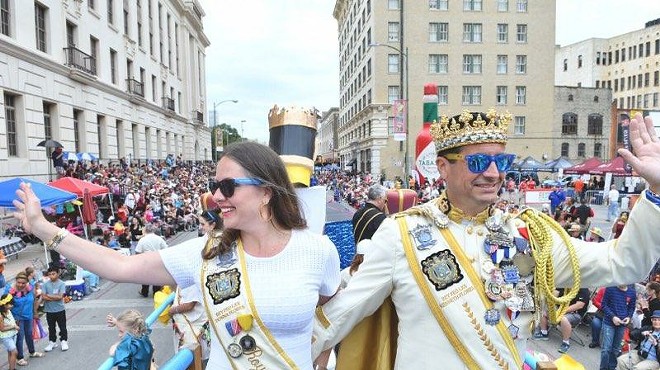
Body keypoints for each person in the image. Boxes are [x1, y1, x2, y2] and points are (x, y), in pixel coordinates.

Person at [310, 110, 660, 369]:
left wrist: (656, 192)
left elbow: (623, 262)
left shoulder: (530, 234)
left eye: (501, 160)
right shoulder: (401, 234)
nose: (493, 173)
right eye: (477, 161)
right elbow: (339, 315)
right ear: (442, 168)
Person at [12, 141, 341, 369]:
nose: (215, 197)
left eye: (228, 187)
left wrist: (323, 361)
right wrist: (43, 229)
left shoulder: (317, 251)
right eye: (215, 186)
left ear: (266, 191)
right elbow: (119, 265)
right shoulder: (207, 253)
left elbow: (332, 311)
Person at [533, 288, 591, 353]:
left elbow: (579, 306)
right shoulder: (566, 284)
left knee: (564, 319)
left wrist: (561, 312)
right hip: (560, 309)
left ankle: (566, 343)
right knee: (543, 311)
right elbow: (555, 294)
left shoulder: (584, 290)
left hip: (575, 313)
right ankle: (544, 333)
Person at [4, 272, 43, 366]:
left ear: (27, 282)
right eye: (19, 282)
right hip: (17, 318)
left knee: (29, 334)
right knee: (20, 338)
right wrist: (9, 318)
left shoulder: (31, 288)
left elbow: (34, 300)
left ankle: (32, 352)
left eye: (23, 283)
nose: (21, 285)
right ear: (15, 281)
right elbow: (4, 305)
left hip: (28, 316)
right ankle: (20, 358)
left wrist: (35, 312)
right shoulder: (9, 289)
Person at [600, 284, 637, 370]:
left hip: (622, 325)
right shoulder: (610, 288)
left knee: (616, 349)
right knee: (606, 349)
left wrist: (629, 317)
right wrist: (613, 317)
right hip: (609, 323)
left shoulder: (632, 292)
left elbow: (631, 307)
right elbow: (604, 305)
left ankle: (611, 367)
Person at [134, 223, 168, 298]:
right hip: (157, 259)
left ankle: (144, 292)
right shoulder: (159, 238)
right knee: (157, 276)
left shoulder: (142, 240)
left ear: (146, 230)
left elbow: (137, 251)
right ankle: (156, 292)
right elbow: (166, 248)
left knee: (145, 277)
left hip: (146, 260)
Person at [41, 265, 68, 352]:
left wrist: (48, 295)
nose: (51, 276)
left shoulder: (61, 284)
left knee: (62, 327)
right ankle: (52, 342)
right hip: (49, 310)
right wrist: (53, 297)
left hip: (60, 309)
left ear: (58, 273)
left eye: (53, 274)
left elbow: (60, 297)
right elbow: (43, 297)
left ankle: (64, 340)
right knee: (51, 327)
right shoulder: (45, 284)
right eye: (50, 274)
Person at [0, 293, 19, 370]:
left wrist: (14, 322)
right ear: (4, 304)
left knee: (10, 352)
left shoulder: (8, 311)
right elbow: (2, 329)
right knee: (14, 352)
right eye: (10, 304)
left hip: (13, 334)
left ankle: (12, 367)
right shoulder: (1, 315)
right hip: (6, 337)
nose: (12, 306)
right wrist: (13, 326)